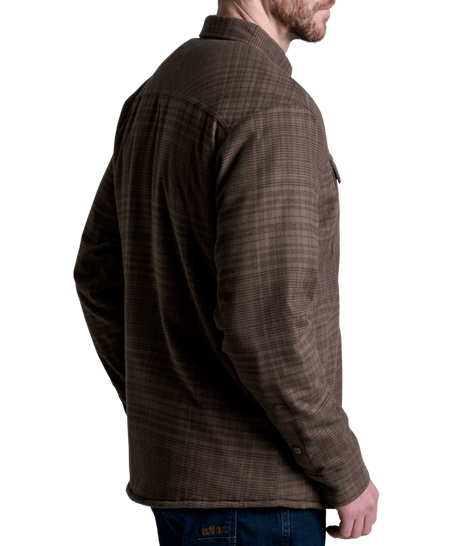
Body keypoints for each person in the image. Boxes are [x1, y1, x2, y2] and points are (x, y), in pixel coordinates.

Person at [71, 1, 382, 544]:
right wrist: (345, 471)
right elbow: (266, 326)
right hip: (259, 501)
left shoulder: (162, 85)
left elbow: (97, 273)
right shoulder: (274, 107)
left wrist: (164, 401)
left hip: (185, 490)